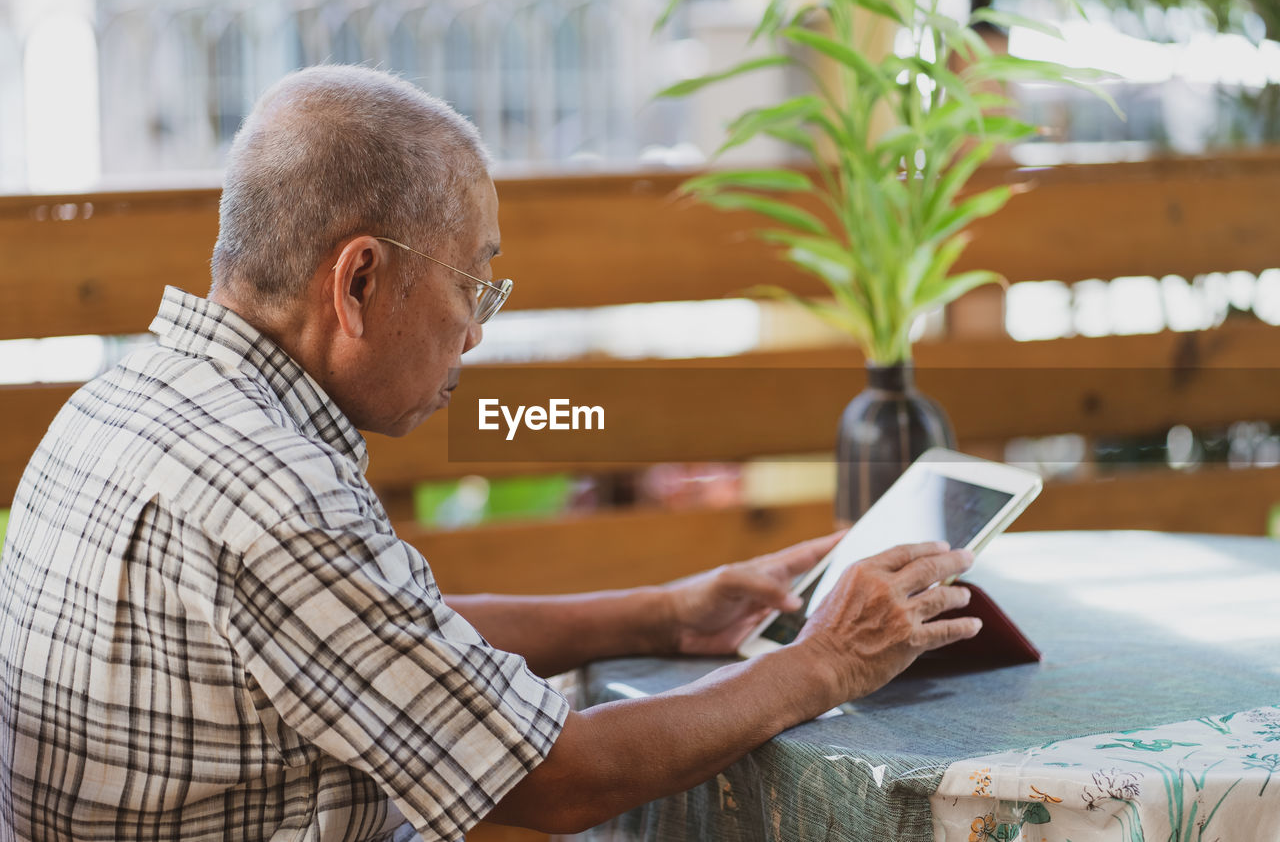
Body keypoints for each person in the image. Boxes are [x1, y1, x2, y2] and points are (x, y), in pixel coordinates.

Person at [0, 65, 979, 842]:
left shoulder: (133, 398)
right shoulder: (269, 486)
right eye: (476, 284)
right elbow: (558, 780)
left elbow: (379, 634)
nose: (473, 333)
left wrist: (664, 616)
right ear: (360, 282)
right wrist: (825, 663)